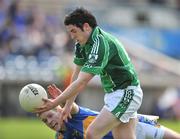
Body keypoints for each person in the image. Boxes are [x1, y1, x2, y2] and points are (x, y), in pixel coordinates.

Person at [36, 7, 143, 139]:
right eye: (69, 32)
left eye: (73, 31)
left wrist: (55, 103)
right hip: (114, 94)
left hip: (127, 93)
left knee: (92, 134)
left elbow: (82, 81)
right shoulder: (81, 44)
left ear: (86, 27)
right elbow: (76, 75)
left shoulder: (100, 43)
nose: (72, 36)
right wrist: (67, 106)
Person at [37, 84, 180, 139]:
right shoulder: (60, 137)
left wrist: (62, 99)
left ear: (59, 110)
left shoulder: (73, 114)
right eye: (45, 120)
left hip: (135, 127)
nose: (49, 122)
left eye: (50, 115)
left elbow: (72, 106)